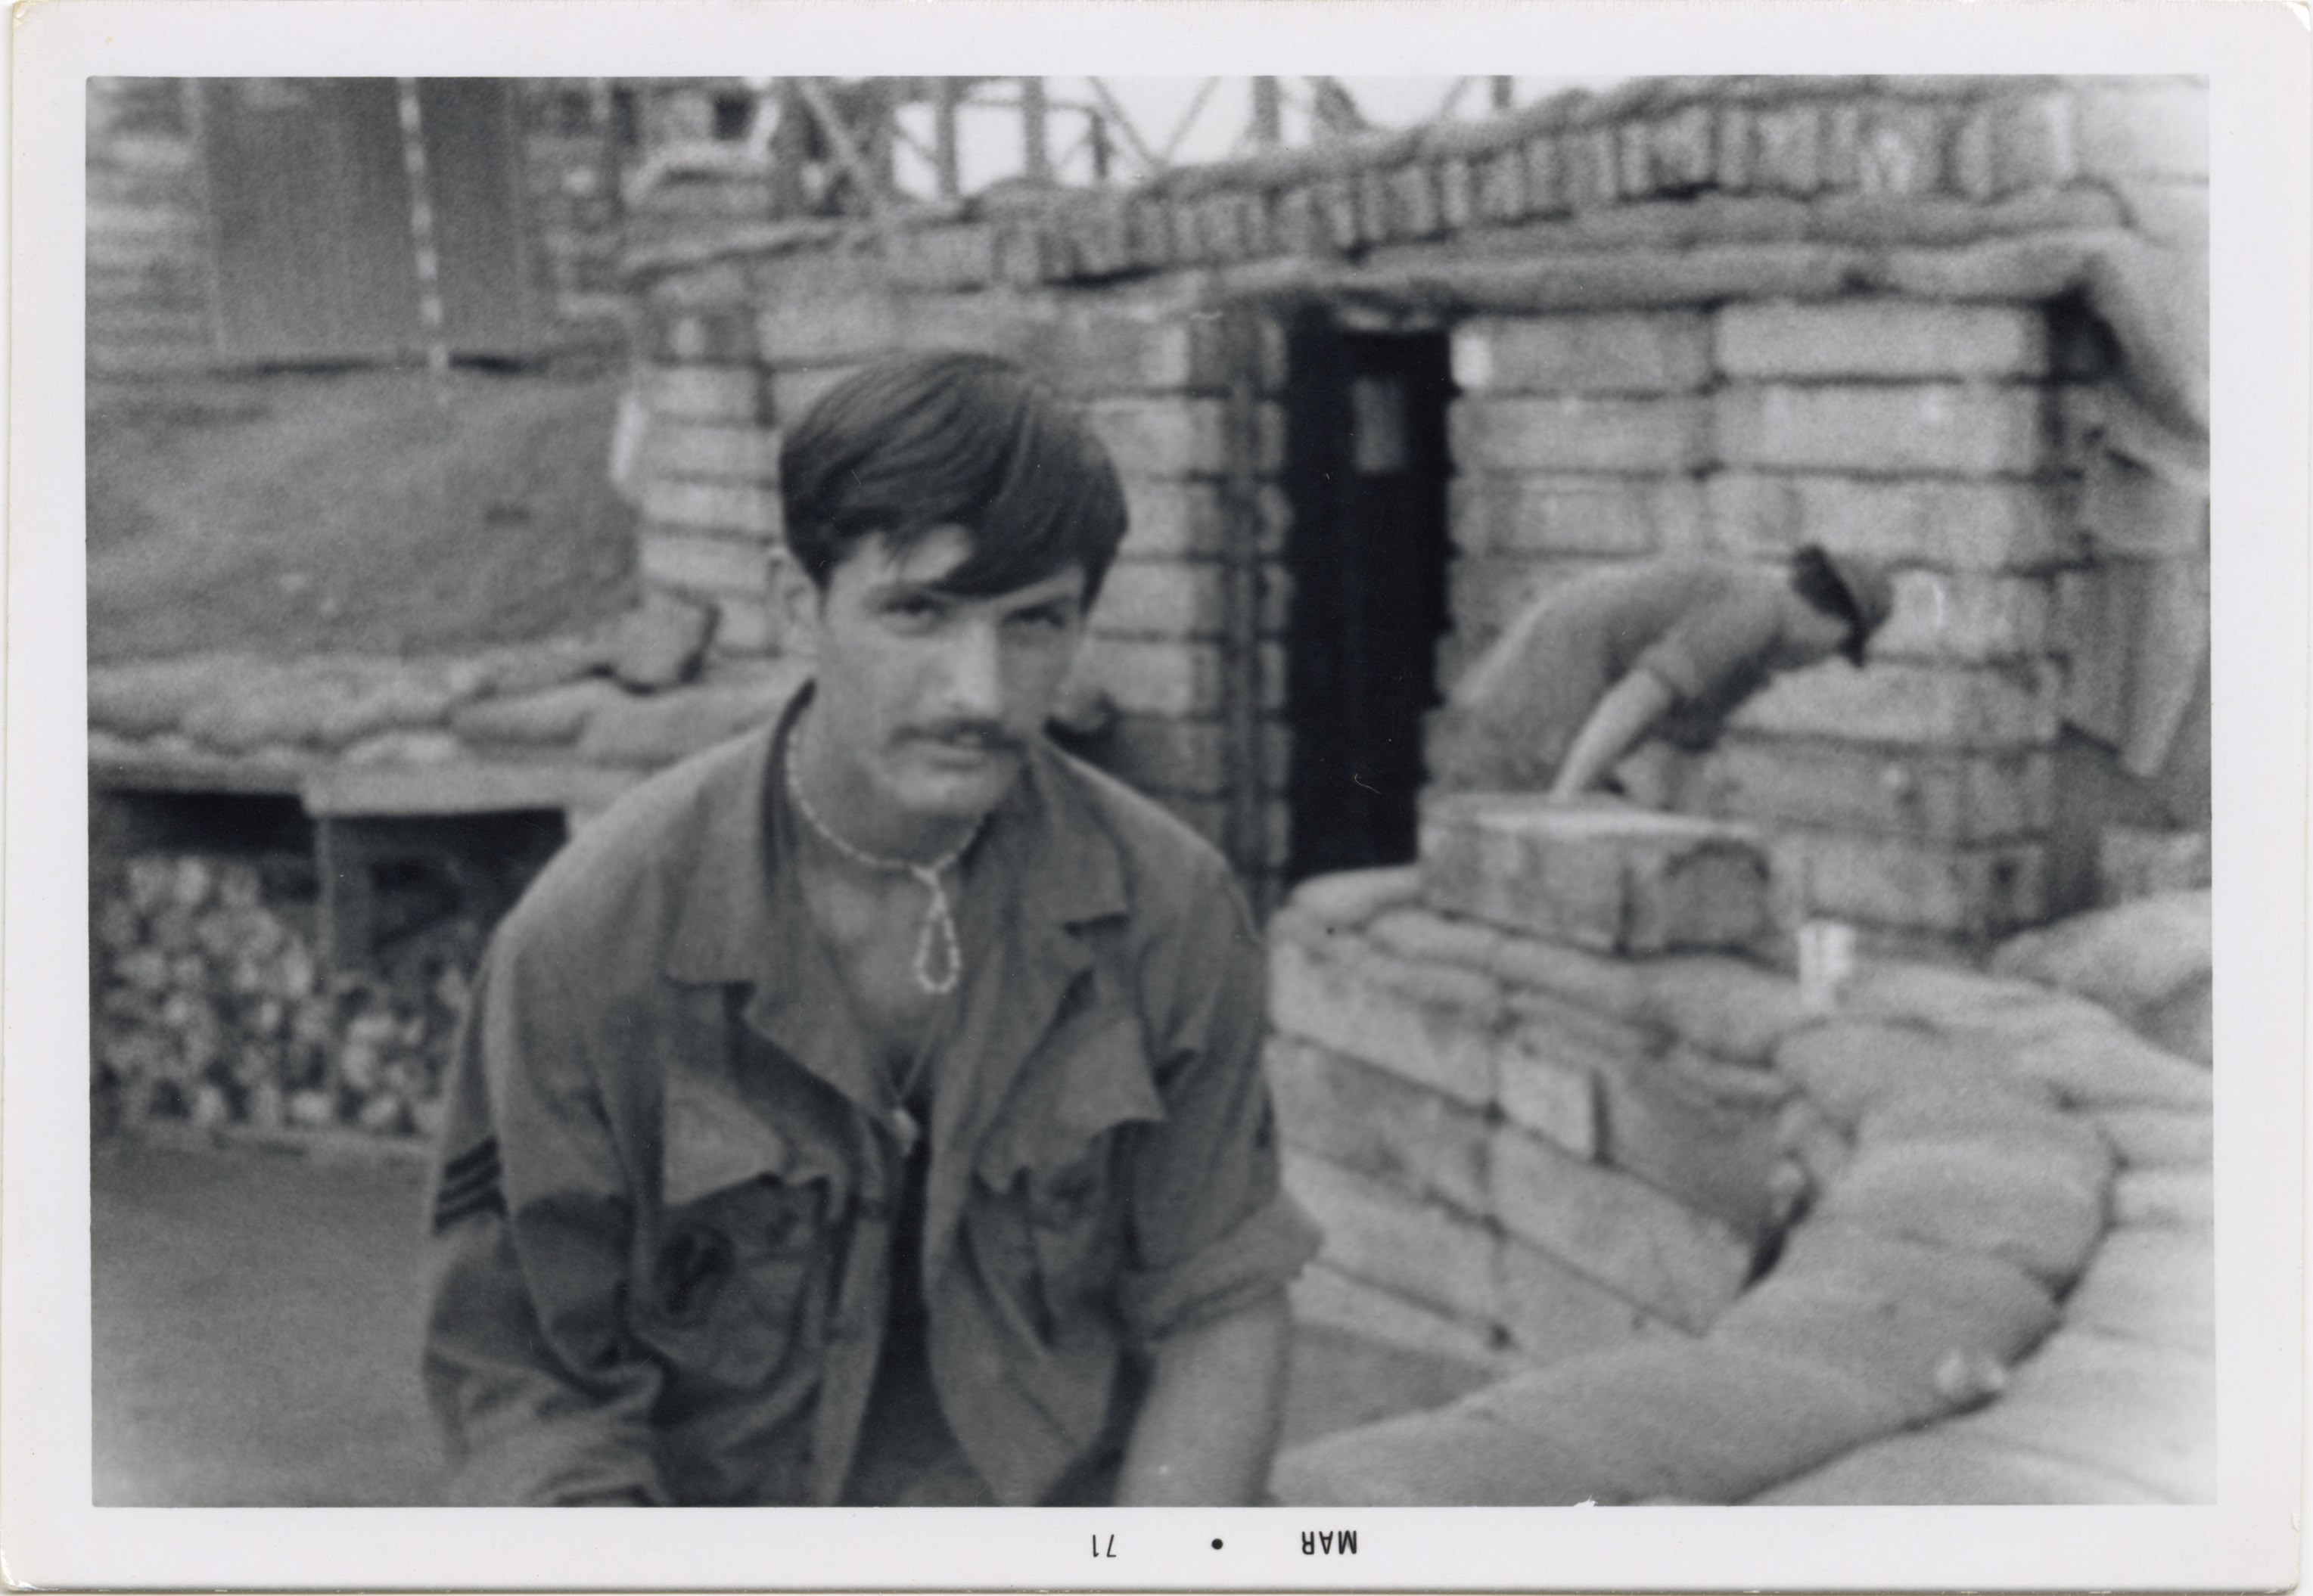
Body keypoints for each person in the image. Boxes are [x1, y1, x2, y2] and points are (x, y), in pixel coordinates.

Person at [419, 352, 1320, 1508]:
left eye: (1035, 622)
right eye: (917, 611)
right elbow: (530, 1385)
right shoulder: (589, 939)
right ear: (801, 605)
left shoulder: (1169, 907)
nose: (980, 692)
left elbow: (1218, 1300)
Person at [1429, 546, 1894, 799]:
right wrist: (1563, 808)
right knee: (1507, 807)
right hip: (1553, 666)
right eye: (1835, 652)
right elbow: (1632, 702)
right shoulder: (1758, 611)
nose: (1819, 664)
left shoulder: (1754, 659)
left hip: (1575, 673)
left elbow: (1678, 749)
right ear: (1834, 629)